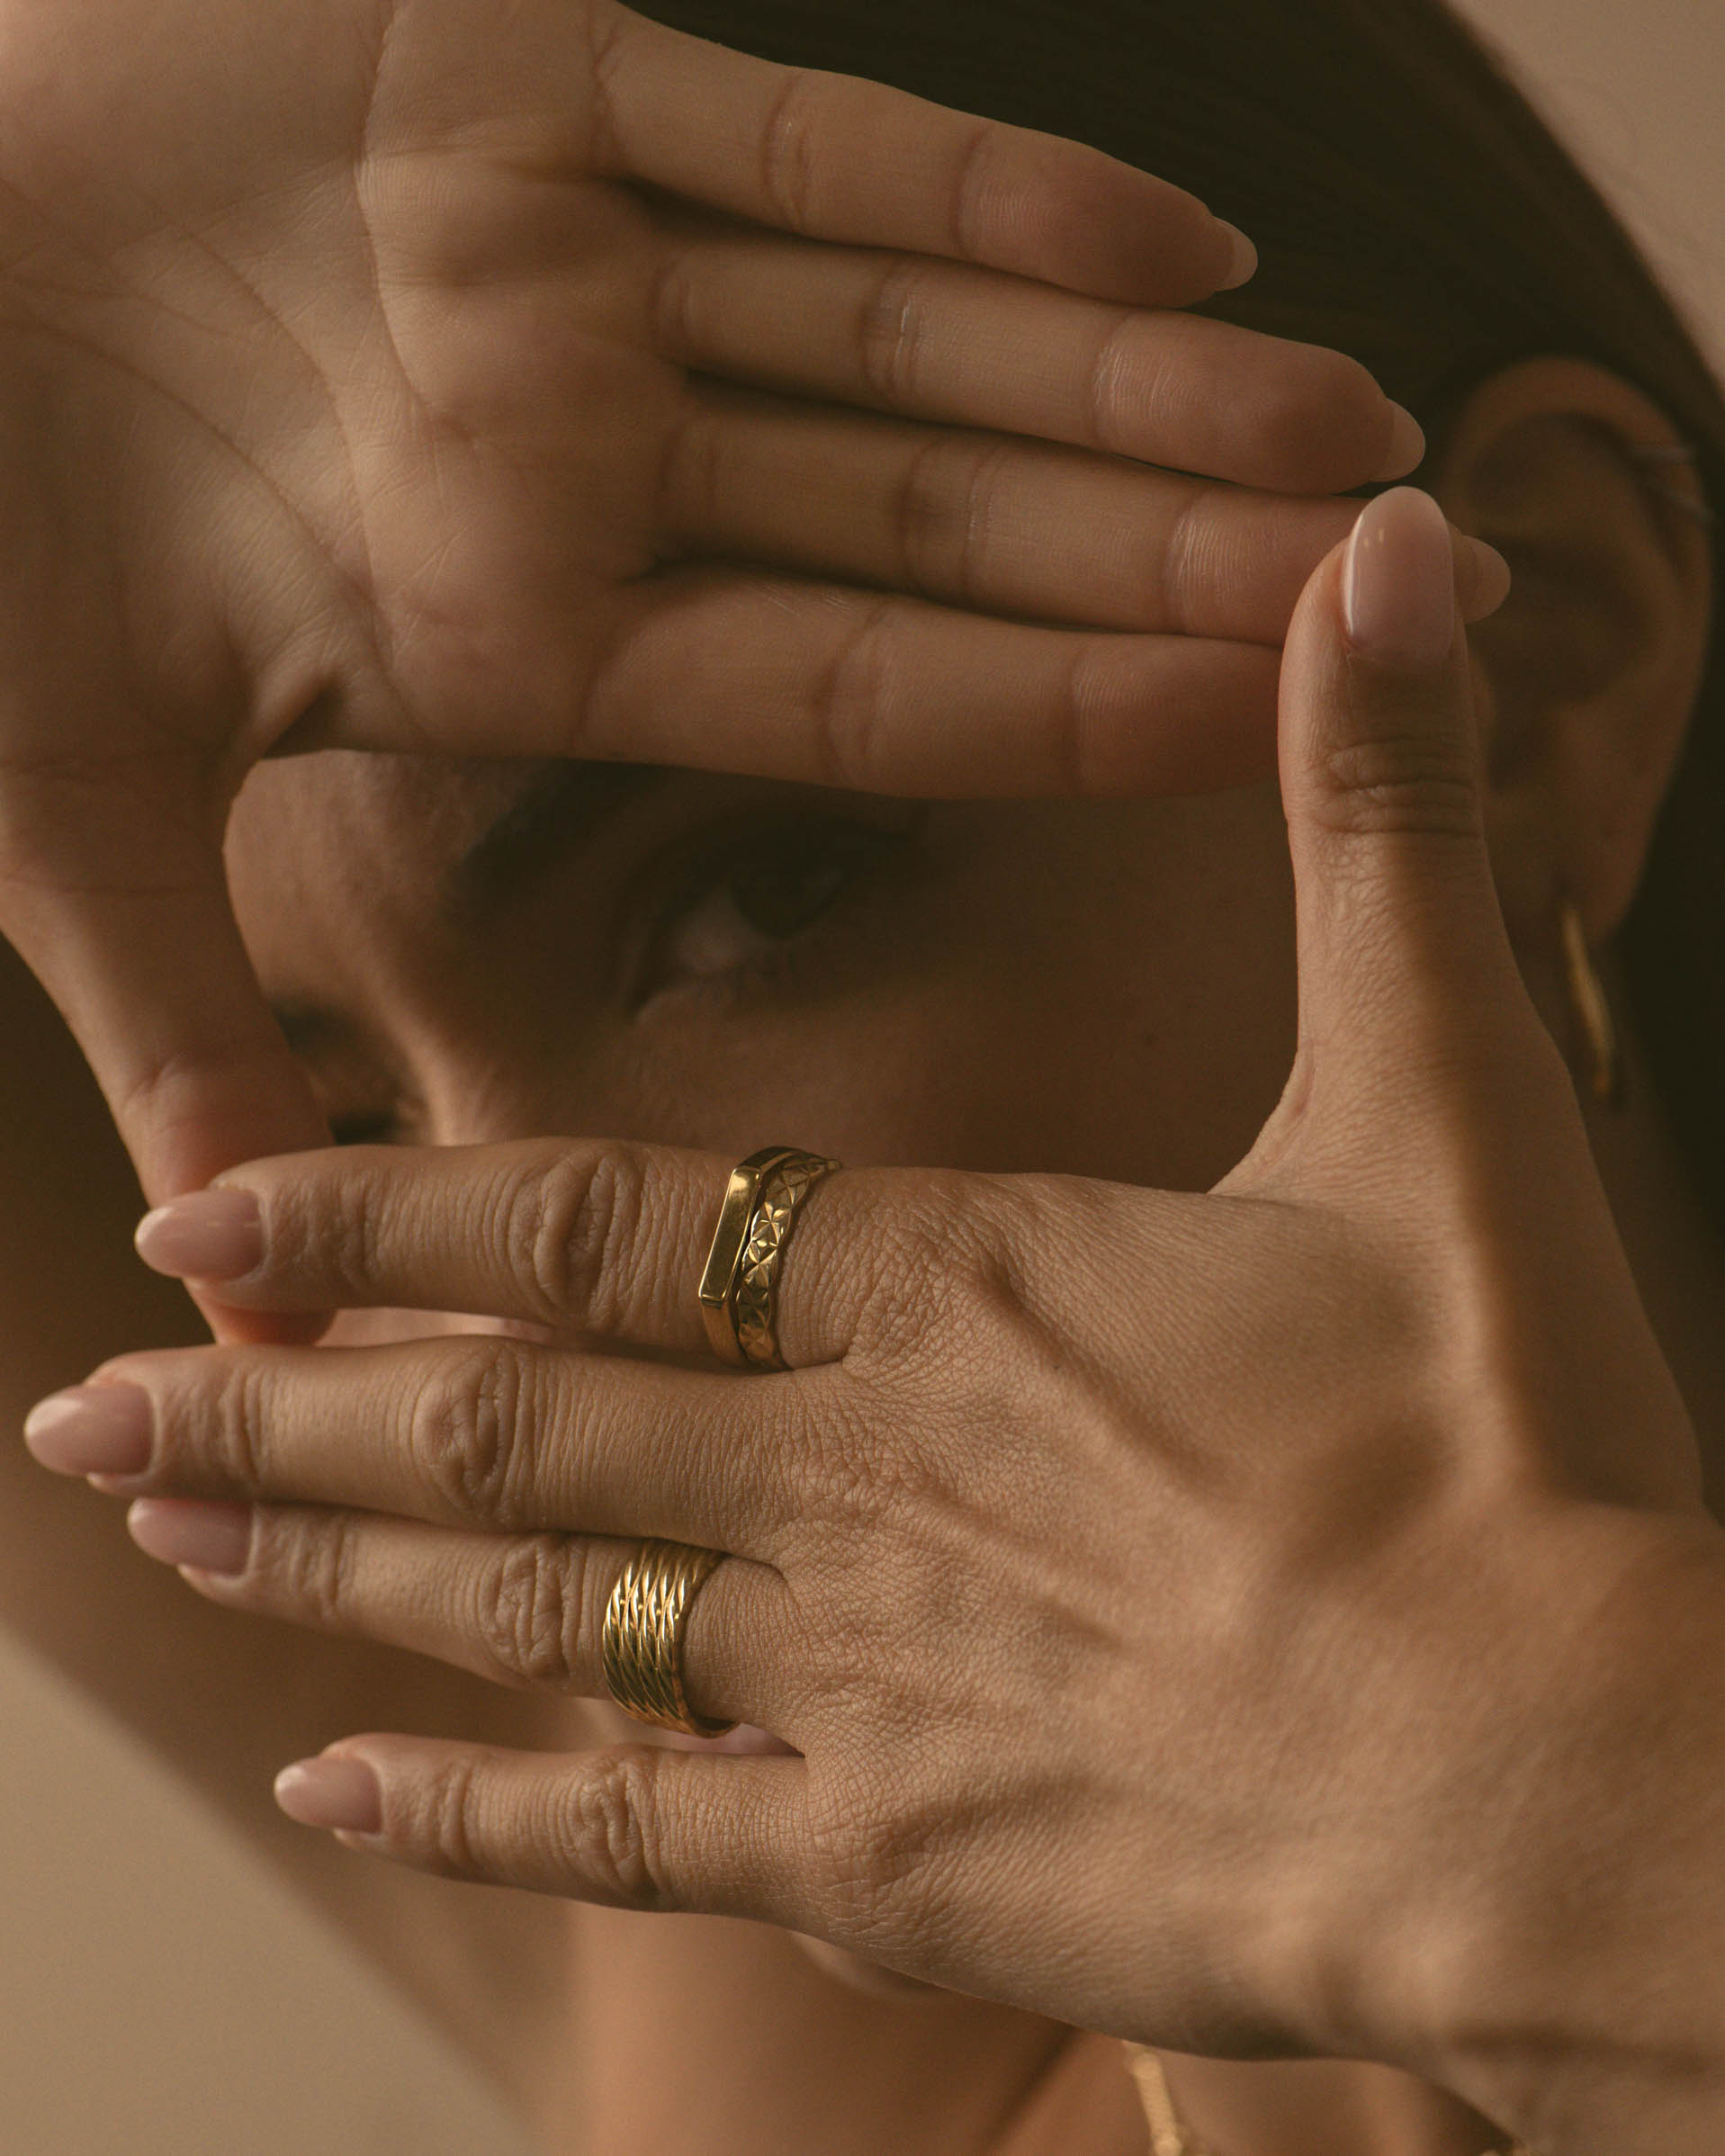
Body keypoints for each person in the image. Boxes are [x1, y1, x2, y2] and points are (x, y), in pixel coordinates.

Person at [3, 2, 1722, 2152]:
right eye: (344, 1129)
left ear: (1530, 669)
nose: (496, 1384)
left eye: (763, 887)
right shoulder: (739, 2014)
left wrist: (1502, 1785)